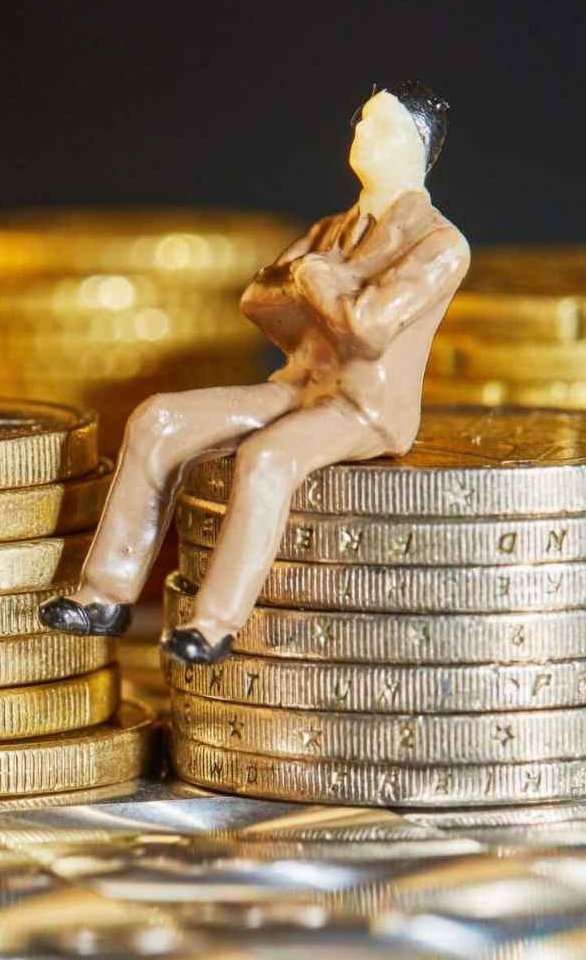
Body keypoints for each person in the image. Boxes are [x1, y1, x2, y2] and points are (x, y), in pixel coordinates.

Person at [41, 82, 468, 666]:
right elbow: (258, 298)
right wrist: (322, 286)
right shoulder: (330, 230)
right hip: (298, 385)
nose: (362, 133)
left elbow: (368, 330)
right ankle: (105, 596)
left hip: (366, 407)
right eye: (362, 120)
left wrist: (313, 279)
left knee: (268, 457)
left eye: (381, 126)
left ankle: (213, 625)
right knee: (159, 419)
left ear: (417, 147)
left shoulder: (440, 244)